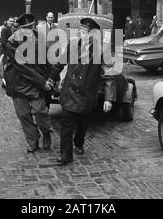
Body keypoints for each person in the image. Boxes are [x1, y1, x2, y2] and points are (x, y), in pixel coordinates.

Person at [48, 17, 114, 165]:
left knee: (82, 123)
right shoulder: (72, 46)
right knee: (66, 123)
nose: (81, 35)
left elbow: (109, 76)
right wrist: (51, 79)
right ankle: (66, 154)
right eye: (81, 31)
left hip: (87, 94)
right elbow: (59, 64)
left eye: (85, 32)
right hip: (69, 92)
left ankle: (78, 143)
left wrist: (109, 98)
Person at [3, 13, 53, 153]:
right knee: (24, 115)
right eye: (26, 28)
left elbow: (47, 59)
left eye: (31, 27)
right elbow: (22, 67)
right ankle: (33, 140)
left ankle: (46, 132)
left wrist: (53, 78)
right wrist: (43, 82)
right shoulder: (12, 41)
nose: (29, 30)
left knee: (40, 111)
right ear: (20, 28)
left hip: (36, 83)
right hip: (19, 82)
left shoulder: (39, 38)